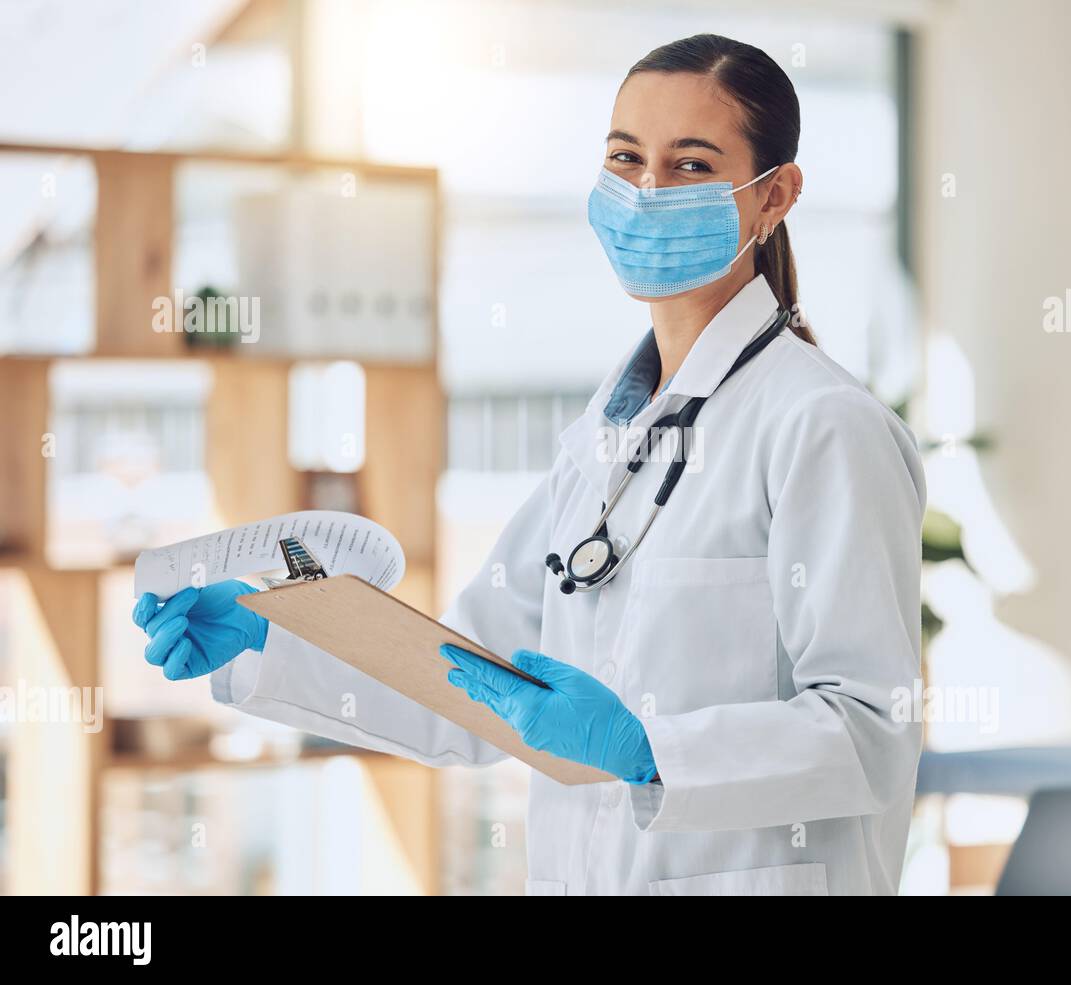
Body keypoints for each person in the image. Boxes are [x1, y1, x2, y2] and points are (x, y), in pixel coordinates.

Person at [134, 33, 927, 896]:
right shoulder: (603, 441)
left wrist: (646, 748)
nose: (646, 192)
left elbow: (872, 729)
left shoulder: (824, 426)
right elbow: (472, 680)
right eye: (625, 158)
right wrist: (277, 639)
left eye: (691, 165)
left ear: (775, 196)